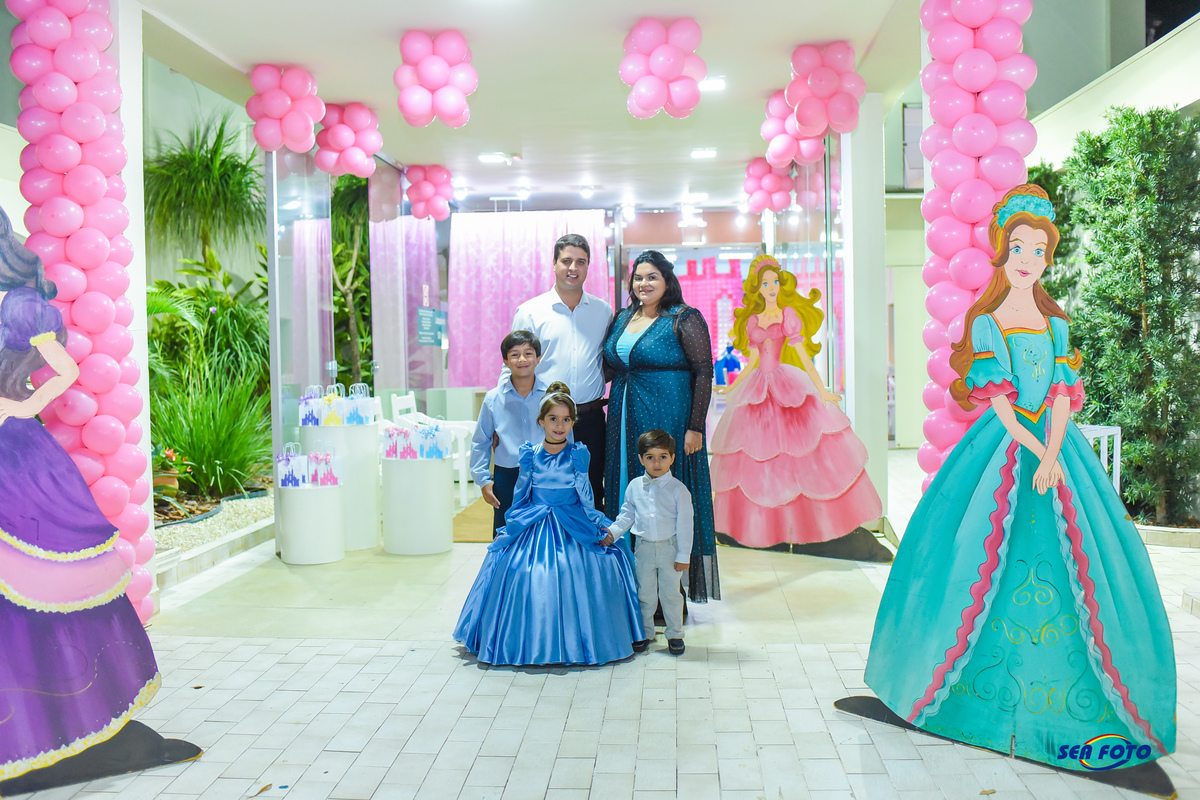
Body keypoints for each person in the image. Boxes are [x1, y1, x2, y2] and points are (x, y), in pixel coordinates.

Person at [864, 185, 1175, 769]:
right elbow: (1004, 407)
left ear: (1047, 256)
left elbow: (1061, 396)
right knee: (978, 559)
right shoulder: (987, 322)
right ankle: (969, 699)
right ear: (1002, 252)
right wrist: (1037, 452)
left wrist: (1055, 454)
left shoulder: (1056, 323)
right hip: (1005, 447)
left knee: (1079, 563)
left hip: (1056, 447)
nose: (1028, 258)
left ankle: (1067, 706)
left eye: (1039, 249)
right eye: (1019, 247)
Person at [0, 208, 161, 781]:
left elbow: (64, 370)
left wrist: (22, 406)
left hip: (14, 458)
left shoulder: (20, 305)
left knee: (28, 587)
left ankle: (51, 721)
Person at [709, 255, 887, 560]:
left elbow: (804, 357)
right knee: (758, 457)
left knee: (797, 454)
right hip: (757, 388)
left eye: (775, 282)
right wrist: (732, 387)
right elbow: (752, 361)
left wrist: (822, 390)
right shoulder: (753, 320)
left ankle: (807, 526)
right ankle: (762, 528)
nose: (771, 287)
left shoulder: (788, 316)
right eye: (765, 283)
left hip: (786, 384)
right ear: (757, 288)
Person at [454, 383, 643, 666]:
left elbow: (585, 495)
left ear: (573, 423)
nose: (560, 425)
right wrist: (514, 525)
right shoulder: (529, 454)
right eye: (553, 418)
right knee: (519, 567)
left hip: (571, 516)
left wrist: (593, 523)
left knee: (597, 560)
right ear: (541, 421)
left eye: (566, 419)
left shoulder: (578, 454)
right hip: (536, 516)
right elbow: (521, 494)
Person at [603, 249, 718, 602]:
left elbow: (704, 371)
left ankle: (670, 591)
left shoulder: (683, 317)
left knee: (667, 498)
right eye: (638, 277)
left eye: (652, 276)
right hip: (624, 416)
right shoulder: (623, 317)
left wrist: (695, 427)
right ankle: (631, 585)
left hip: (668, 417)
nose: (644, 283)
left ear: (667, 280)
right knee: (629, 491)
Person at [511, 233, 611, 510]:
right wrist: (505, 417)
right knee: (546, 493)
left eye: (581, 262)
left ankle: (589, 540)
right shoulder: (530, 311)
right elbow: (514, 367)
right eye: (566, 261)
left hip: (590, 418)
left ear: (588, 266)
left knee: (592, 491)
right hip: (545, 418)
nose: (573, 268)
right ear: (554, 264)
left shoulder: (603, 311)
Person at [607, 430, 692, 656]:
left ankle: (675, 634)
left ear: (672, 458)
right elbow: (626, 516)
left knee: (671, 594)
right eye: (650, 457)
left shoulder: (679, 490)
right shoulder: (635, 486)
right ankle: (645, 633)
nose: (656, 463)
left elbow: (685, 525)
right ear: (641, 459)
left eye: (663, 457)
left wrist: (683, 555)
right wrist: (612, 533)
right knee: (644, 593)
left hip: (670, 548)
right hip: (643, 549)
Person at [470, 330, 549, 534]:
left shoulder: (551, 396)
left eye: (528, 353)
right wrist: (484, 481)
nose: (522, 359)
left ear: (538, 358)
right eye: (514, 354)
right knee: (506, 533)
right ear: (505, 361)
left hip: (546, 473)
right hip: (507, 476)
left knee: (543, 534)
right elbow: (481, 441)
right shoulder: (493, 398)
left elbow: (565, 436)